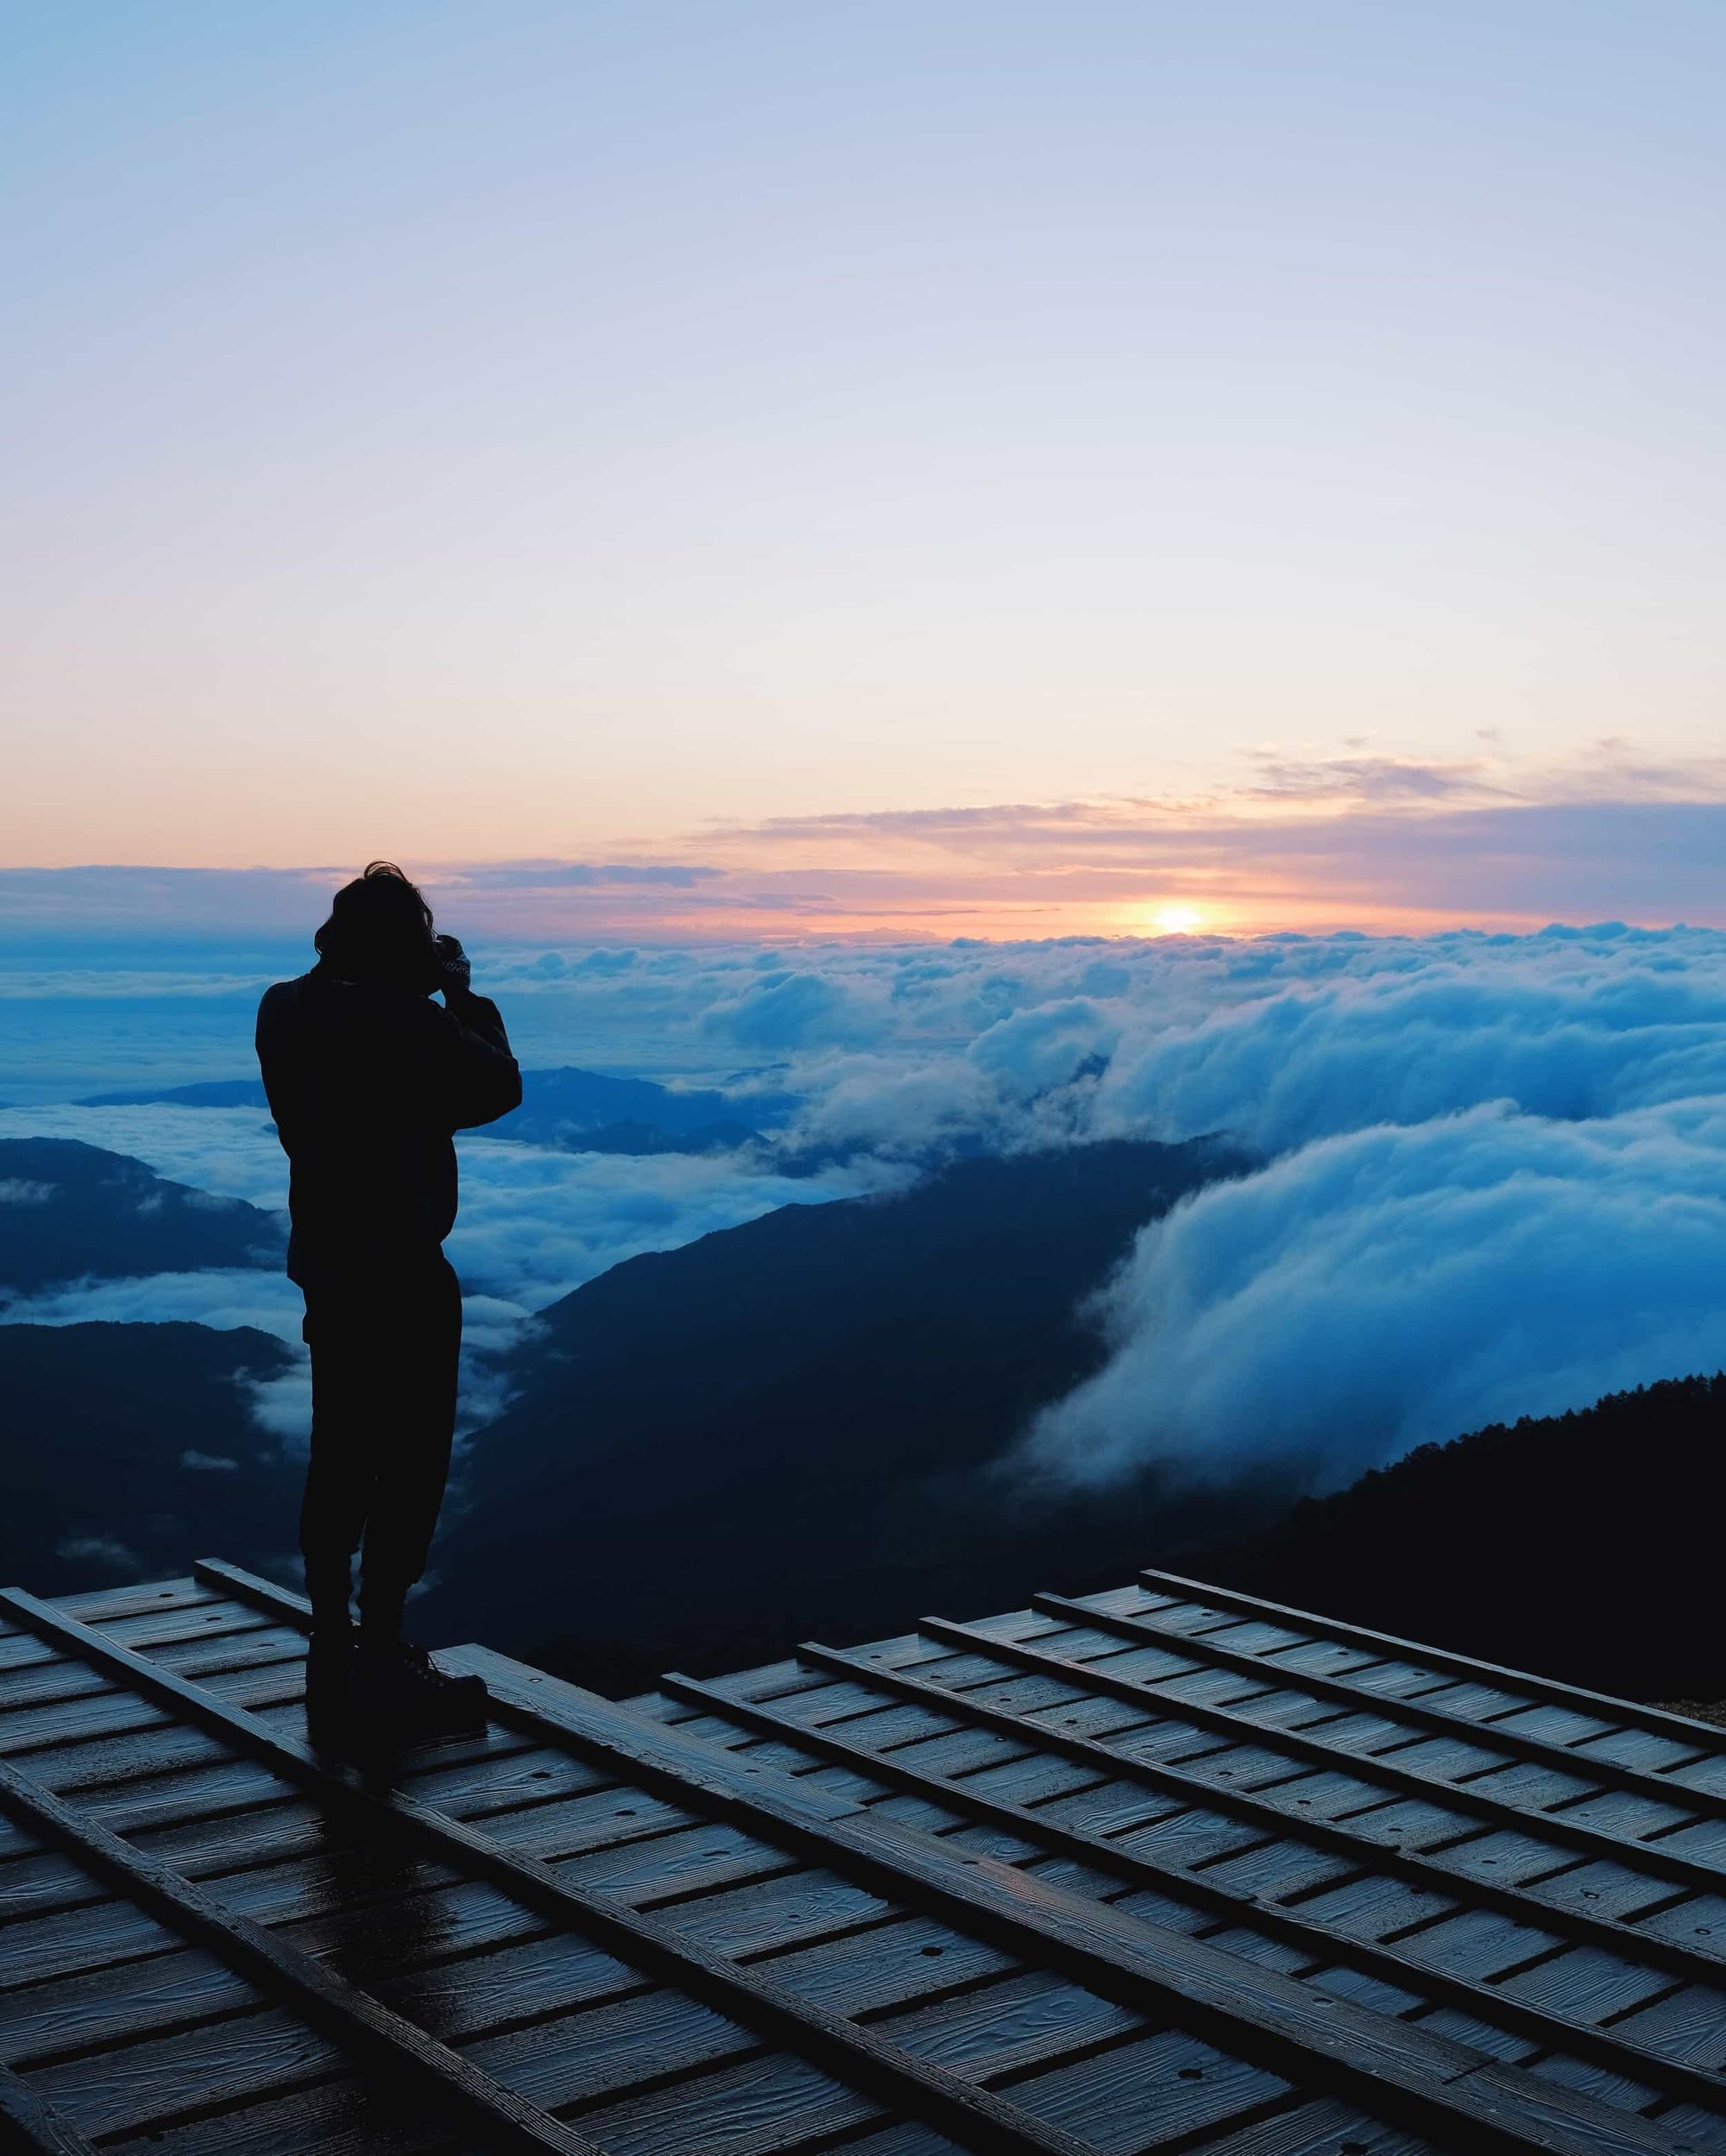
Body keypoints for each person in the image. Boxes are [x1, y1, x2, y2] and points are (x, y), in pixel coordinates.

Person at [255, 861, 521, 1733]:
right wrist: (459, 995)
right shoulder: (412, 1023)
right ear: (408, 946)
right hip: (403, 1270)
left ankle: (331, 1646)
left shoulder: (283, 1008)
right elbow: (498, 1087)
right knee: (408, 1461)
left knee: (339, 1453)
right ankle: (383, 1651)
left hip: (327, 1262)